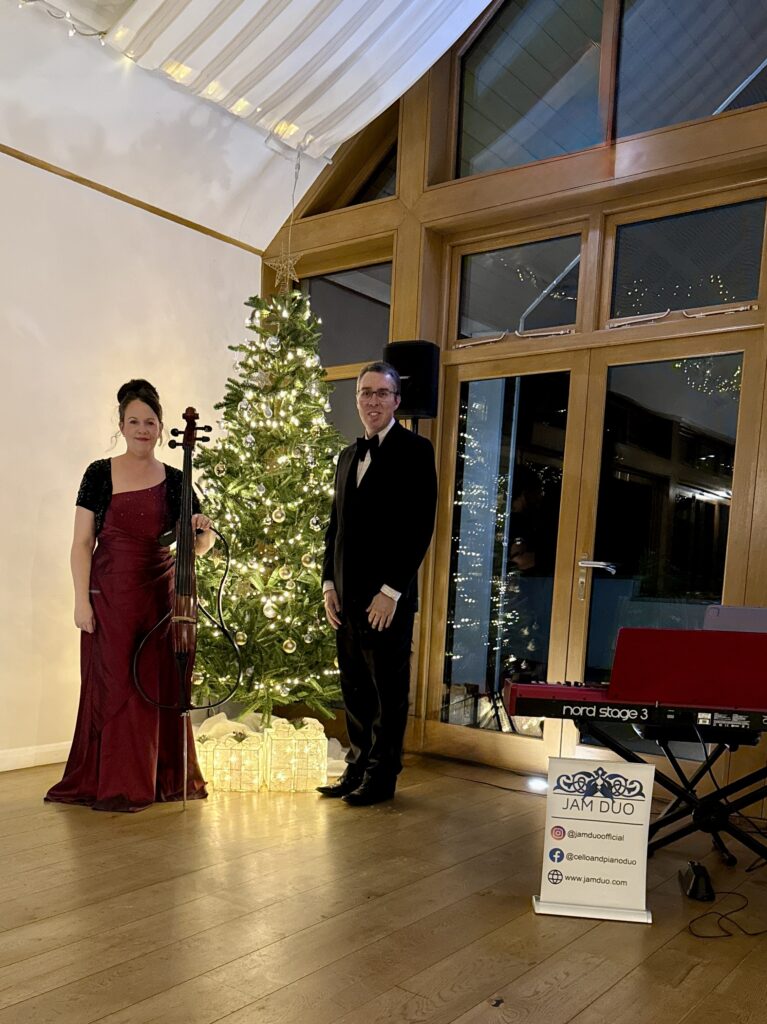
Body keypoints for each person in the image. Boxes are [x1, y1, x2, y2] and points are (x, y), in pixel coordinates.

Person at [45, 379, 215, 812]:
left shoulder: (177, 479)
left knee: (154, 685)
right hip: (111, 594)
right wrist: (81, 601)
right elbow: (82, 542)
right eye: (134, 421)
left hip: (160, 596)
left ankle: (157, 779)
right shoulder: (99, 473)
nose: (143, 429)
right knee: (115, 684)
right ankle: (117, 780)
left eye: (151, 422)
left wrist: (205, 533)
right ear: (121, 425)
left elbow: (196, 545)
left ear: (161, 428)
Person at [318, 361, 438, 806]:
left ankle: (382, 776)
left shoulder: (416, 450)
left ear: (396, 401)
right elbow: (337, 527)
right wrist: (328, 582)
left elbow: (419, 528)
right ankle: (355, 767)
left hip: (387, 598)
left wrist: (392, 592)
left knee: (388, 691)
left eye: (381, 393)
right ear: (357, 399)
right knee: (354, 688)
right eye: (366, 393)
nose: (372, 401)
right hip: (346, 595)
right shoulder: (348, 455)